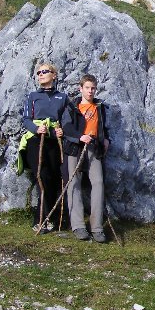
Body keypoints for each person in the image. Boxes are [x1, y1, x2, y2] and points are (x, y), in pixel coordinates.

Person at [20, 63, 69, 233]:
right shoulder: (33, 96)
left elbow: (67, 119)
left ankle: (51, 219)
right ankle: (40, 219)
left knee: (54, 179)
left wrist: (62, 129)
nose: (40, 74)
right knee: (42, 177)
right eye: (38, 72)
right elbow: (26, 119)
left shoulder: (62, 97)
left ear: (54, 75)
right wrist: (36, 128)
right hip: (36, 140)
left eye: (44, 71)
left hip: (55, 142)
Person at [62, 73, 111, 243]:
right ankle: (78, 226)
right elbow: (66, 128)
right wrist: (79, 137)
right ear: (80, 89)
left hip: (94, 148)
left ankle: (97, 228)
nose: (90, 91)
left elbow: (104, 127)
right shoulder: (72, 107)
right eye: (87, 88)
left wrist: (106, 139)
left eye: (93, 88)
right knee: (73, 183)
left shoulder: (100, 106)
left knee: (98, 183)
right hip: (75, 148)